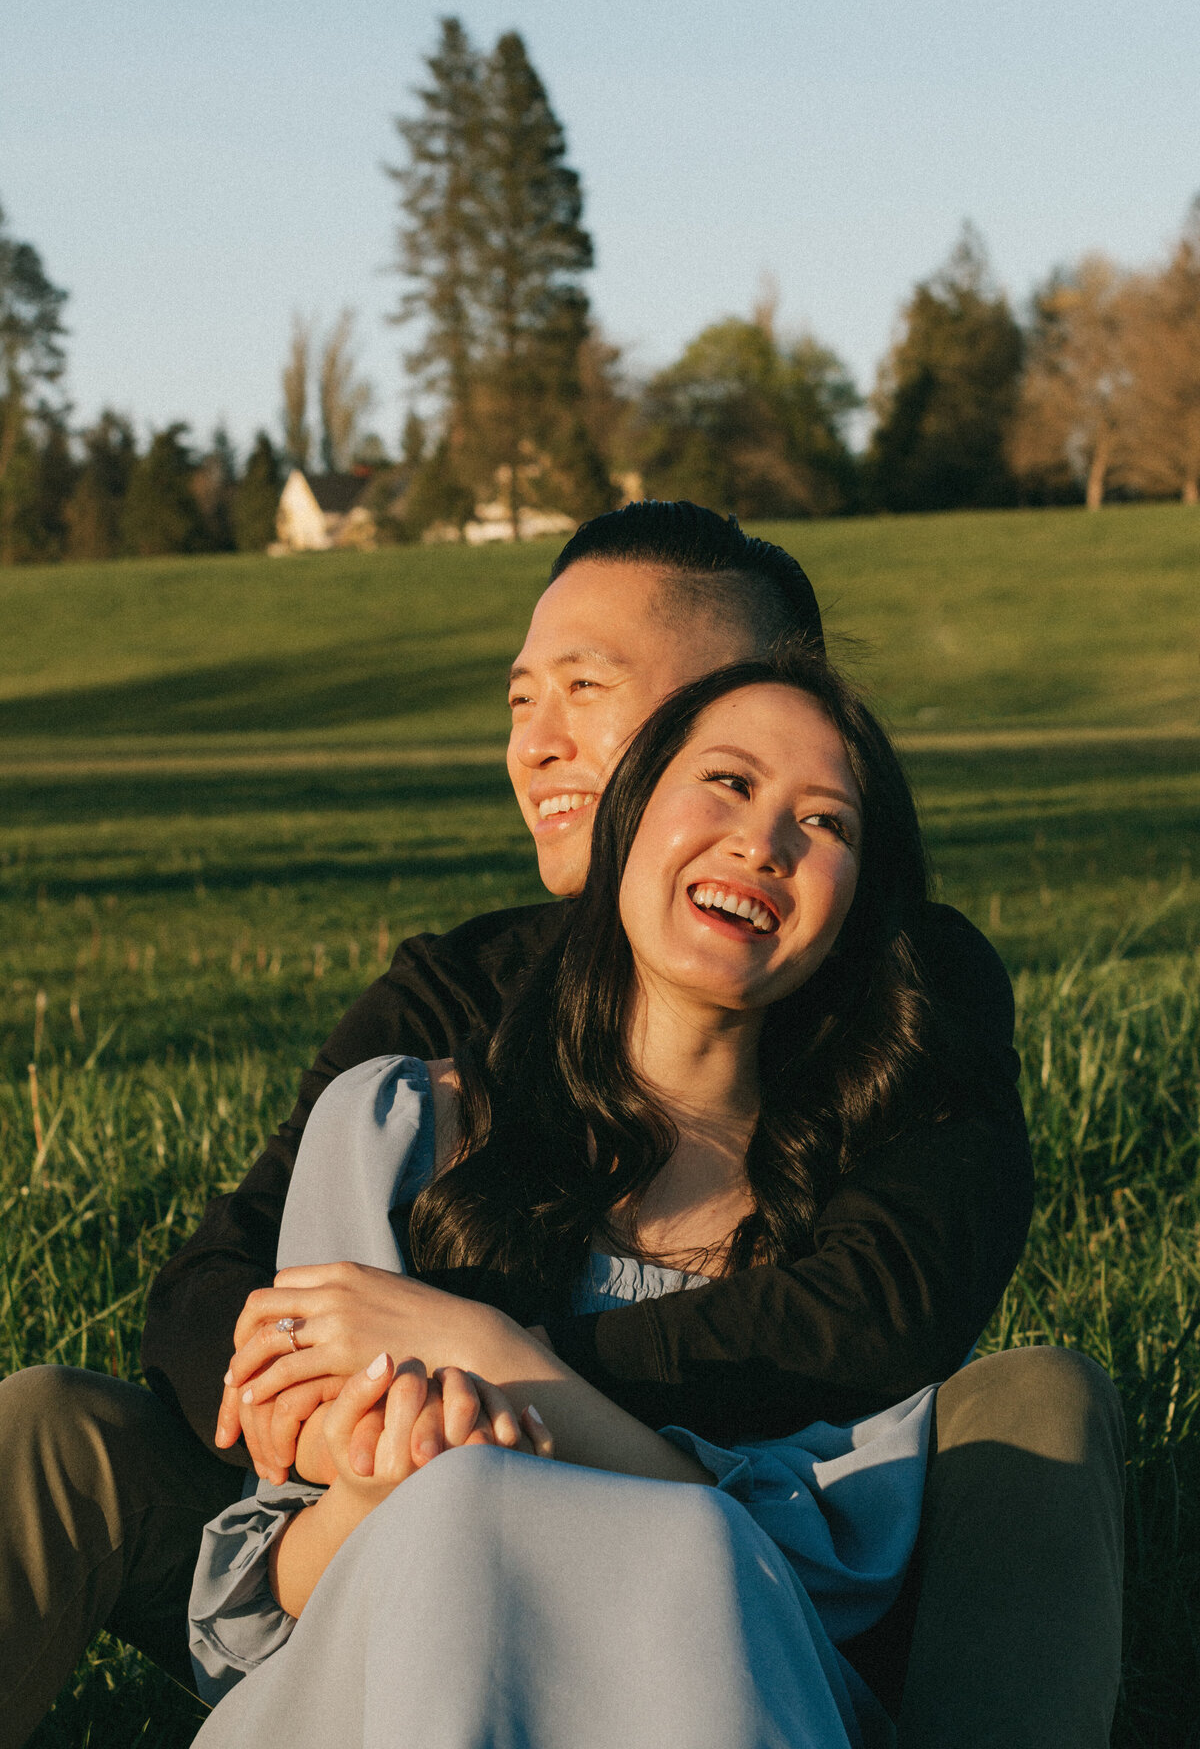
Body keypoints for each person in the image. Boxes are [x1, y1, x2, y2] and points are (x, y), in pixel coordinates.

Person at [0, 504, 1123, 1748]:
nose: (537, 745)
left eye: (585, 690)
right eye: (522, 700)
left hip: (782, 1545)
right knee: (49, 1426)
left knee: (1041, 1408)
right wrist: (354, 1416)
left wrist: (505, 1375)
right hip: (374, 1532)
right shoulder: (445, 1012)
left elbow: (874, 1310)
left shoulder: (900, 997)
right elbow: (227, 1282)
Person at [189, 646, 950, 1748]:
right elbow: (259, 1615)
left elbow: (812, 1594)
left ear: (853, 908)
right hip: (391, 1679)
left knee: (671, 1544)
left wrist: (488, 1357)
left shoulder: (865, 1222)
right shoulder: (396, 1131)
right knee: (452, 1515)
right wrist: (373, 1489)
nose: (764, 840)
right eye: (728, 784)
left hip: (697, 1689)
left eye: (825, 823)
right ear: (631, 818)